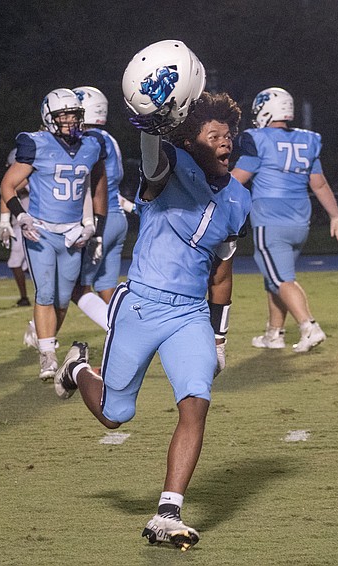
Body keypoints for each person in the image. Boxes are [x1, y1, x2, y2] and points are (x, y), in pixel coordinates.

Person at [53, 40, 251, 550]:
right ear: (192, 138)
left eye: (228, 135)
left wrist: (220, 336)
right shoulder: (173, 163)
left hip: (189, 315)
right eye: (213, 135)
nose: (224, 142)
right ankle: (77, 368)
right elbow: (154, 161)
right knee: (117, 415)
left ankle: (167, 513)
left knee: (196, 404)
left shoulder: (238, 197)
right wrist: (151, 124)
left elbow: (222, 272)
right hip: (141, 304)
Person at [0, 88, 108, 380]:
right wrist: (19, 216)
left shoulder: (93, 145)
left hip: (74, 234)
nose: (70, 121)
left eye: (74, 115)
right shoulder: (35, 144)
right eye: (63, 116)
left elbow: (97, 184)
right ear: (49, 118)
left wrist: (94, 226)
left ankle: (44, 339)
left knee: (62, 299)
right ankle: (47, 355)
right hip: (42, 231)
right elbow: (8, 185)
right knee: (45, 293)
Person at [230, 87, 338, 352]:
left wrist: (207, 192)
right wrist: (335, 216)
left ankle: (309, 326)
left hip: (271, 221)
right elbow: (319, 184)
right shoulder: (306, 141)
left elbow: (238, 178)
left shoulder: (258, 139)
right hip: (299, 222)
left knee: (282, 280)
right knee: (277, 279)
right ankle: (274, 334)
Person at [69, 86, 129, 330]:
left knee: (77, 289)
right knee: (106, 286)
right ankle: (127, 328)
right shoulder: (109, 138)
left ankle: (122, 333)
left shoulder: (90, 140)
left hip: (99, 218)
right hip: (118, 217)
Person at [0, 149, 31, 308]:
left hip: (27, 226)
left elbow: (10, 189)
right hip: (23, 225)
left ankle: (25, 297)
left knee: (15, 262)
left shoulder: (31, 177)